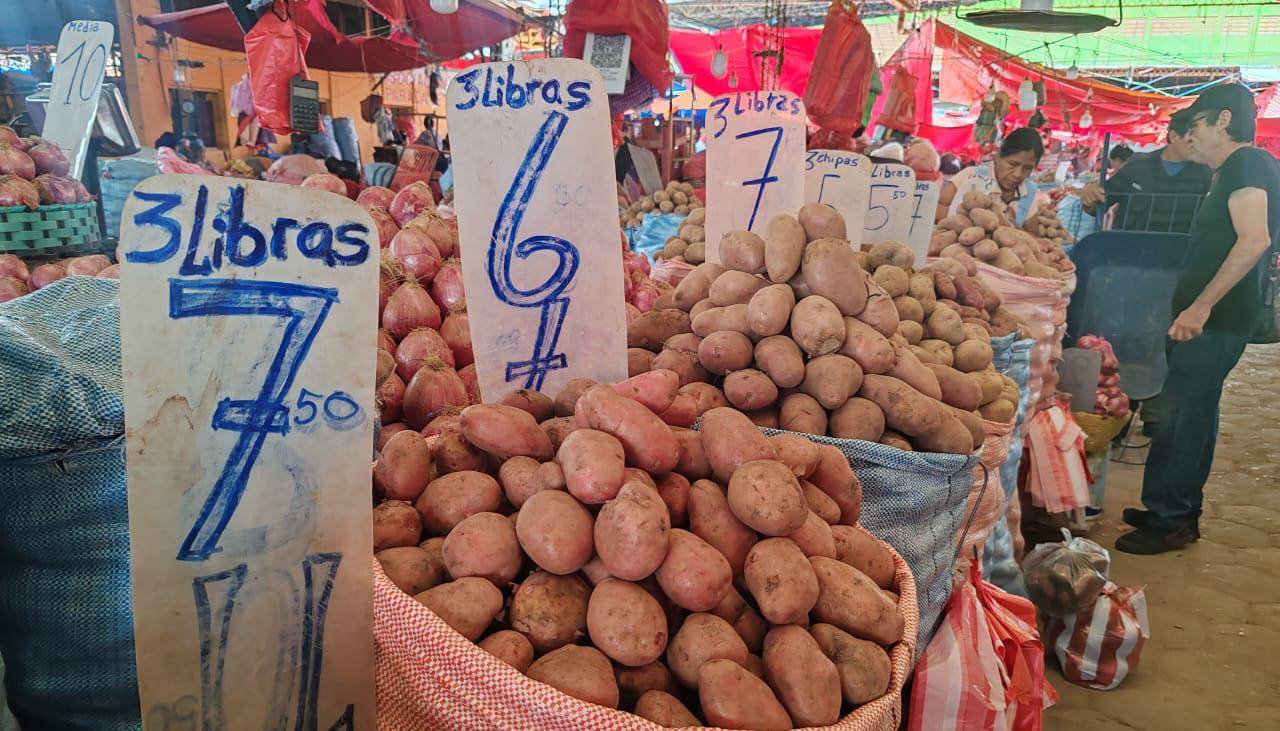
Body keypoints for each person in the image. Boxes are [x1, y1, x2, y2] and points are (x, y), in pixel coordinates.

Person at [1117, 83, 1280, 554]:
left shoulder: (1247, 164)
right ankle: (1176, 509)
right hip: (1216, 319)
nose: (1190, 137)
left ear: (1222, 121)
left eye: (1196, 126)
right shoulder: (1239, 169)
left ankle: (1168, 519)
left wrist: (1200, 306)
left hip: (1217, 320)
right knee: (1195, 414)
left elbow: (1254, 240)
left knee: (1181, 417)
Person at [1079, 111, 1212, 233]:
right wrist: (1089, 196)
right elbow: (1097, 205)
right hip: (1132, 252)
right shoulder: (1137, 168)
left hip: (1179, 253)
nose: (1197, 145)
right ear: (1173, 136)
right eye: (1191, 140)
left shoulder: (1205, 174)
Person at [936, 127, 1049, 229]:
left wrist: (1008, 228)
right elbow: (935, 208)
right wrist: (970, 220)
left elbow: (1032, 233)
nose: (1018, 174)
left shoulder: (1029, 191)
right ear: (998, 157)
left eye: (1027, 168)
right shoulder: (971, 175)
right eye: (1012, 164)